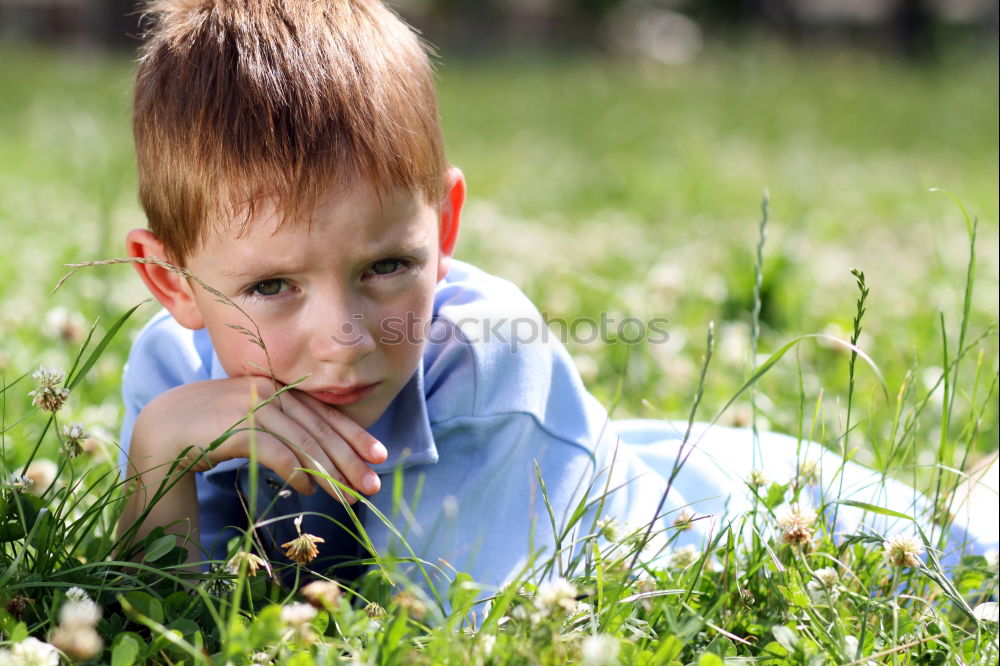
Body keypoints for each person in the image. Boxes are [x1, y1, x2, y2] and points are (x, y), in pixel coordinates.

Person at [118, 0, 997, 596]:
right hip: (632, 458)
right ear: (172, 282)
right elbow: (157, 619)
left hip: (744, 515)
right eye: (272, 287)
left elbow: (458, 633)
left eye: (386, 266)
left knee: (971, 556)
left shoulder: (491, 362)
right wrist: (157, 458)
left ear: (445, 226)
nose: (344, 337)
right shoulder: (171, 379)